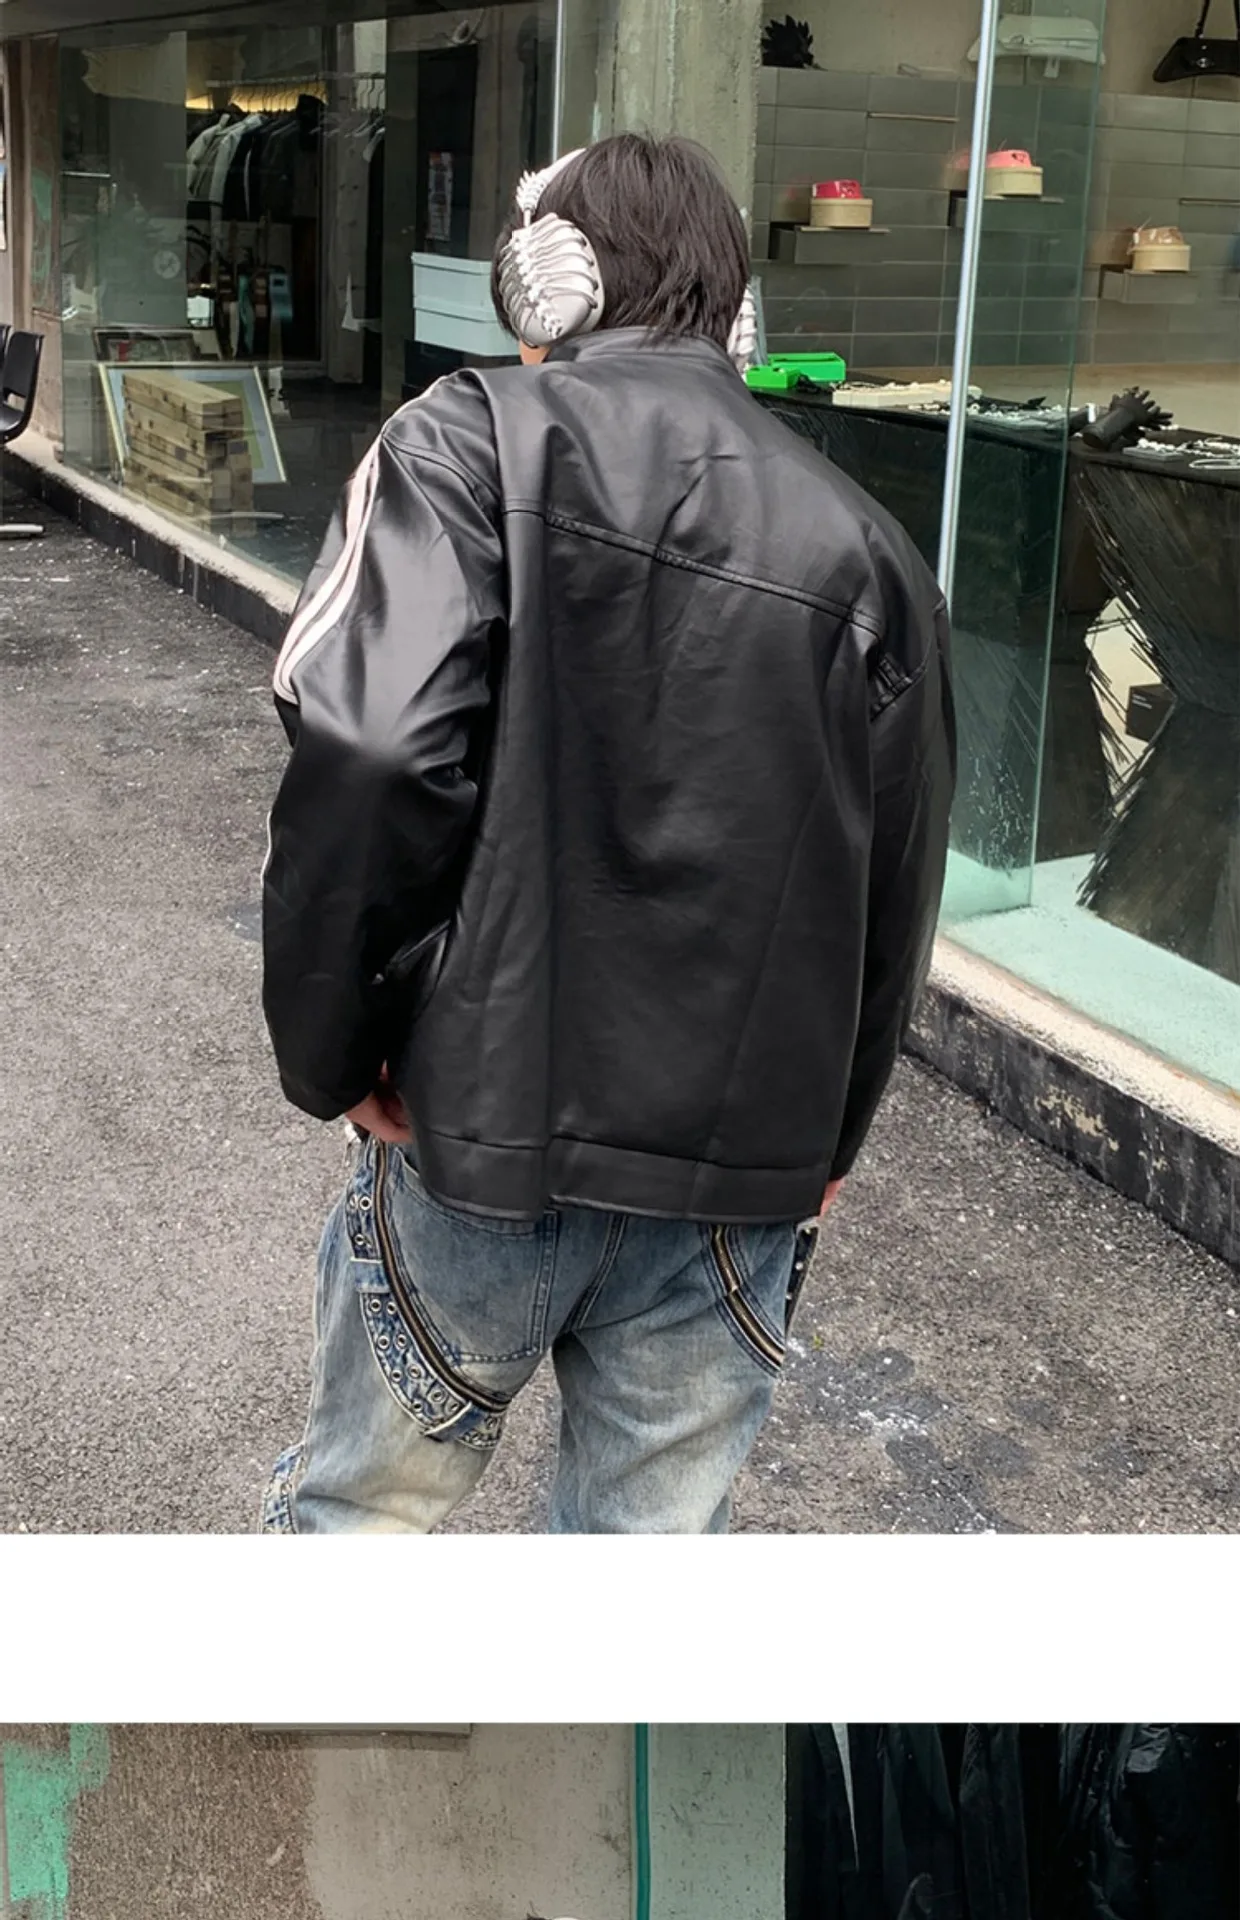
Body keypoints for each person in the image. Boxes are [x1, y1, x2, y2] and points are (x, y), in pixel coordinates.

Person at [260, 133, 955, 1535]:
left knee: (357, 1527)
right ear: (738, 316)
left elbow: (375, 748)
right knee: (637, 1584)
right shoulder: (868, 543)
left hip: (478, 1124)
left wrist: (333, 1053)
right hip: (736, 1174)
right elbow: (898, 882)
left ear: (546, 283)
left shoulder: (459, 443)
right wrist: (830, 1140)